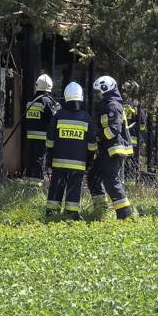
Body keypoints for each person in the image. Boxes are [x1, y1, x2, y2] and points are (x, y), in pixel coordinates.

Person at [44, 82, 97, 219]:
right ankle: (72, 214)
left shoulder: (58, 116)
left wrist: (49, 158)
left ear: (65, 97)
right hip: (78, 163)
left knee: (56, 187)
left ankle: (51, 213)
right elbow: (92, 144)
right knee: (74, 188)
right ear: (81, 97)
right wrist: (89, 161)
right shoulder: (86, 117)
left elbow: (50, 140)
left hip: (58, 162)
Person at [87, 75, 134, 219]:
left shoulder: (112, 105)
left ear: (105, 89)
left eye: (99, 91)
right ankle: (101, 209)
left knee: (111, 181)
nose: (98, 95)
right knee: (93, 177)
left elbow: (114, 129)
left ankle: (125, 214)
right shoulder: (107, 104)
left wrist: (97, 136)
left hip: (114, 149)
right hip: (106, 149)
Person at [23, 73, 58, 186]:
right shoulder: (47, 101)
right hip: (42, 139)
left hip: (29, 138)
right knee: (39, 163)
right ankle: (36, 188)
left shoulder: (30, 101)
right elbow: (53, 119)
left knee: (30, 162)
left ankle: (28, 185)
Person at [122, 81, 147, 181]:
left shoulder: (118, 104)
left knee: (123, 161)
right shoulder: (136, 106)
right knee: (133, 161)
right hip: (133, 139)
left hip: (121, 138)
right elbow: (142, 125)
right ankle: (132, 178)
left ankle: (125, 177)